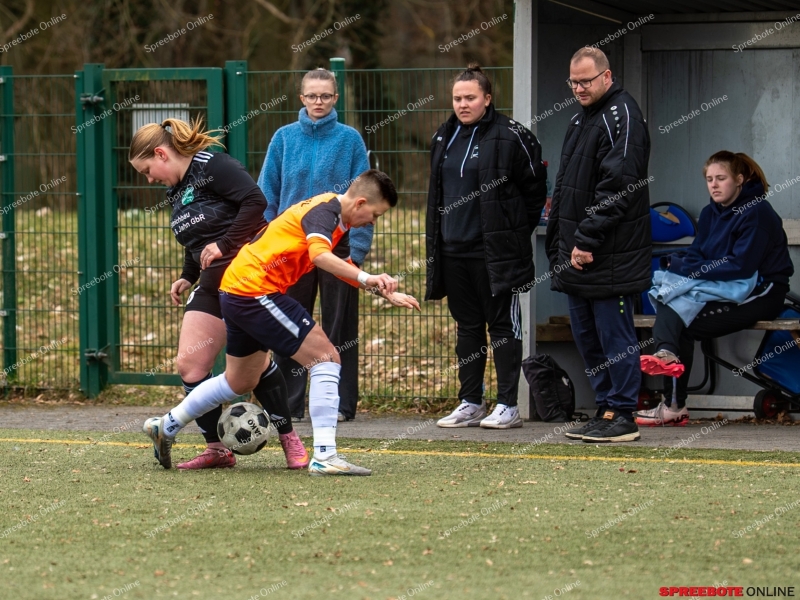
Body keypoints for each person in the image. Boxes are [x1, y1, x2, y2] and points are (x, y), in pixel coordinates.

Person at [142, 170, 420, 475]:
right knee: (326, 357)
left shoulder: (339, 218)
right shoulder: (324, 210)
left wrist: (380, 289)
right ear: (361, 202)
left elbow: (342, 265)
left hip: (237, 290)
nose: (374, 222)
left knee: (239, 381)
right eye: (376, 214)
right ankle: (325, 456)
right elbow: (319, 256)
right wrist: (369, 277)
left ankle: (164, 425)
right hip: (254, 290)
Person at [129, 117, 307, 470]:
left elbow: (256, 202)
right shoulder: (175, 191)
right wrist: (187, 275)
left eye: (147, 170)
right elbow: (196, 238)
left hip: (249, 279)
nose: (149, 179)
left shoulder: (213, 165)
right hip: (211, 284)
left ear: (161, 154)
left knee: (252, 371)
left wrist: (225, 244)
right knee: (190, 364)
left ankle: (290, 439)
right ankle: (217, 449)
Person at [425, 64, 547, 429]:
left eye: (470, 98)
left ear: (487, 98)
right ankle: (470, 401)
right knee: (468, 329)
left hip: (494, 255)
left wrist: (511, 233)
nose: (463, 105)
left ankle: (508, 405)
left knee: (503, 328)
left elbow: (534, 191)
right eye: (457, 98)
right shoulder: (442, 137)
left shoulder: (512, 136)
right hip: (452, 252)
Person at [635, 152, 794, 426]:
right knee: (667, 294)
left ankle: (673, 400)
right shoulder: (710, 213)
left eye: (721, 178)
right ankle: (668, 369)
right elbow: (698, 253)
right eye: (709, 179)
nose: (714, 185)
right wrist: (680, 264)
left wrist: (689, 269)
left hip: (762, 291)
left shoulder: (757, 213)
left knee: (679, 323)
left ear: (739, 180)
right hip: (721, 286)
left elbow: (741, 267)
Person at [545, 47, 651, 443]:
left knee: (614, 336)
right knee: (587, 335)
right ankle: (605, 408)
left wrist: (586, 239)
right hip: (577, 254)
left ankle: (623, 412)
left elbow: (620, 184)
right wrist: (560, 242)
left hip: (608, 254)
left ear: (607, 77)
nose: (578, 88)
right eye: (573, 82)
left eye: (586, 81)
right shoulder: (581, 117)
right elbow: (568, 186)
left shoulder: (622, 114)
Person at [258, 67, 370, 423]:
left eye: (325, 95)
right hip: (292, 249)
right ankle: (287, 405)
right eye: (312, 95)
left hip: (338, 247)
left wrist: (359, 250)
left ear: (336, 99)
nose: (318, 101)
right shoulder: (284, 138)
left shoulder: (350, 140)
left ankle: (338, 404)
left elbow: (364, 197)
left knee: (339, 329)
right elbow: (267, 194)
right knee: (290, 324)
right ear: (301, 98)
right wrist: (267, 239)